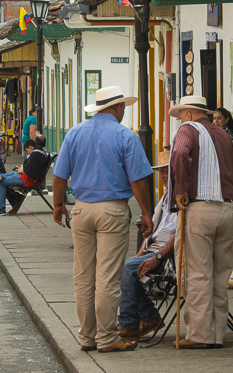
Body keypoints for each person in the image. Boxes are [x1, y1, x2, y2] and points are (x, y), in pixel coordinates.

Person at [52, 86, 154, 354]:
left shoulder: (74, 133)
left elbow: (60, 175)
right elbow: (137, 180)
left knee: (83, 277)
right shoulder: (125, 136)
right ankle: (107, 338)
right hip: (112, 211)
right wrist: (146, 212)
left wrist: (58, 204)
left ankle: (87, 336)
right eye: (123, 108)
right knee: (107, 277)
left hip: (82, 210)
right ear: (118, 108)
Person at [171, 95, 233, 350]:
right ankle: (217, 334)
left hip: (199, 209)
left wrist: (181, 189)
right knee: (220, 277)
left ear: (188, 114)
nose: (180, 120)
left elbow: (178, 152)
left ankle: (200, 335)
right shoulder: (223, 135)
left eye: (180, 116)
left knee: (198, 273)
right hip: (228, 211)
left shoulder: (187, 130)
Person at [118, 149, 178, 341]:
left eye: (169, 171)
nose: (164, 176)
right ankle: (149, 317)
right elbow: (155, 229)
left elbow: (181, 236)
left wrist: (157, 257)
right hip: (155, 249)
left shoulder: (183, 198)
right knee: (126, 267)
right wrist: (145, 247)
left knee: (127, 268)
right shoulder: (166, 196)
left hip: (168, 256)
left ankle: (129, 324)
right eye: (161, 172)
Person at [0, 135, 51, 215]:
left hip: (27, 179)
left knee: (1, 182)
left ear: (31, 147)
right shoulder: (44, 152)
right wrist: (21, 170)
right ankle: (2, 179)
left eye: (27, 151)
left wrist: (21, 170)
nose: (27, 153)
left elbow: (30, 172)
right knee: (5, 177)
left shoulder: (36, 154)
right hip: (28, 177)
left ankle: (1, 209)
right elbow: (32, 169)